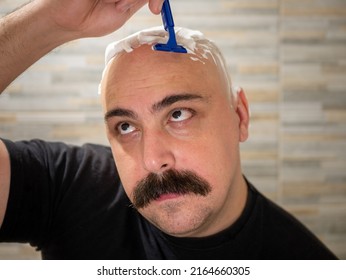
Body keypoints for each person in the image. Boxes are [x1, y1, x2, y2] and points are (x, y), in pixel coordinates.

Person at [0, 0, 337, 260]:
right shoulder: (67, 187)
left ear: (240, 116)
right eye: (126, 126)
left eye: (178, 114)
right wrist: (50, 20)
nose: (153, 160)